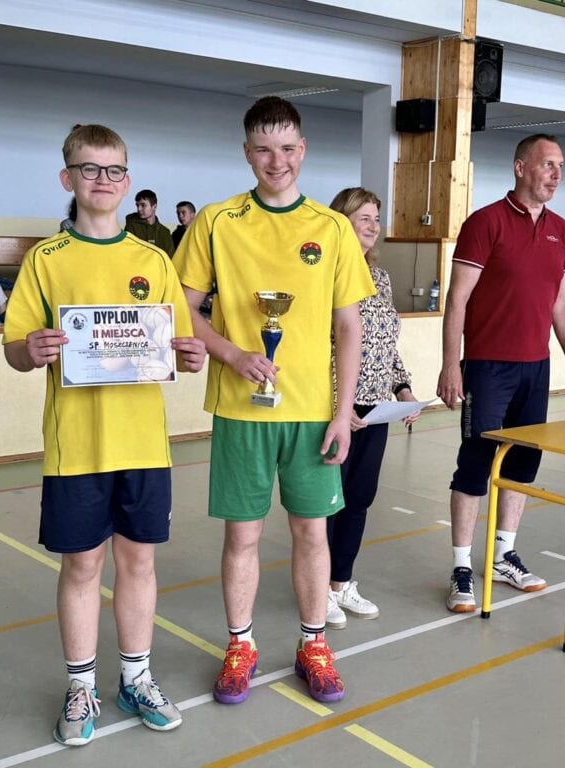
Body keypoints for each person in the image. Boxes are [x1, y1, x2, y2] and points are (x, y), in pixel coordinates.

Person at [2, 123, 206, 747]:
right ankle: (80, 685)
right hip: (77, 446)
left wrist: (191, 353)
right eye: (89, 169)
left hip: (143, 443)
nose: (103, 180)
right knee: (83, 564)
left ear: (127, 179)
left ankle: (136, 678)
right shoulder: (46, 260)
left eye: (114, 169)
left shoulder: (154, 261)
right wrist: (30, 350)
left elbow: (175, 344)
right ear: (68, 178)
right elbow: (14, 349)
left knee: (139, 561)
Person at [173, 97, 374, 705]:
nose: (276, 160)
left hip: (311, 412)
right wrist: (232, 355)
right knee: (243, 536)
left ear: (302, 150)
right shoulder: (216, 222)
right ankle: (241, 645)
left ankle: (314, 644)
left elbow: (349, 326)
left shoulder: (332, 228)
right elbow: (181, 307)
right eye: (263, 149)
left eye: (287, 148)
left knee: (312, 533)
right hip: (241, 409)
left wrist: (342, 413)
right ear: (246, 153)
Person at [436, 134, 565, 614]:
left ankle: (503, 555)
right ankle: (461, 567)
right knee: (476, 462)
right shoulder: (485, 222)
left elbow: (562, 304)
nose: (556, 174)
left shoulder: (561, 231)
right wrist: (450, 364)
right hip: (487, 367)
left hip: (535, 368)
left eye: (561, 166)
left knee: (523, 464)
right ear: (520, 167)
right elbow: (457, 299)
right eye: (548, 164)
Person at [323, 186, 421, 630]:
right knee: (327, 500)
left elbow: (387, 343)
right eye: (363, 217)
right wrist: (338, 405)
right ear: (340, 221)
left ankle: (341, 582)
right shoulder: (323, 275)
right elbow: (316, 347)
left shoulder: (378, 277)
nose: (373, 226)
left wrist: (403, 388)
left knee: (359, 499)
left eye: (376, 218)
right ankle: (318, 588)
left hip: (376, 406)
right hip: (335, 407)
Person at [125, 190, 174, 257]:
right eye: (137, 205)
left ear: (154, 207)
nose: (139, 209)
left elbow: (170, 258)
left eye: (143, 205)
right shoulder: (131, 226)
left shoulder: (164, 232)